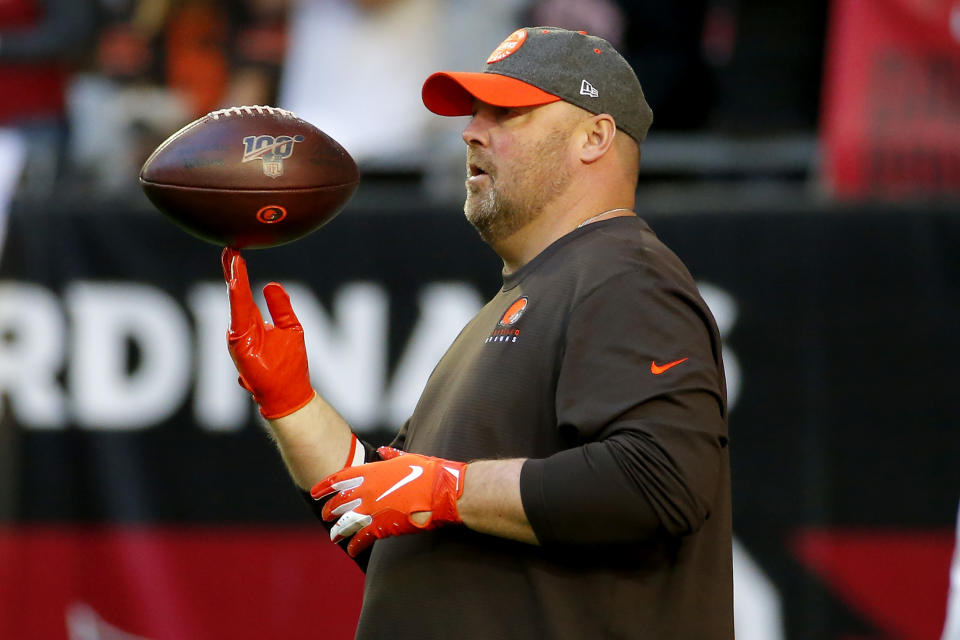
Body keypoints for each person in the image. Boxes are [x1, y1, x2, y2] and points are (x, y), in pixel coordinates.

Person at [222, 26, 733, 638]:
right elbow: (384, 520)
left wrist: (446, 488)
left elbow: (660, 481)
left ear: (594, 137)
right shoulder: (523, 298)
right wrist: (293, 405)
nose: (470, 130)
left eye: (506, 112)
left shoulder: (623, 273)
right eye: (473, 112)